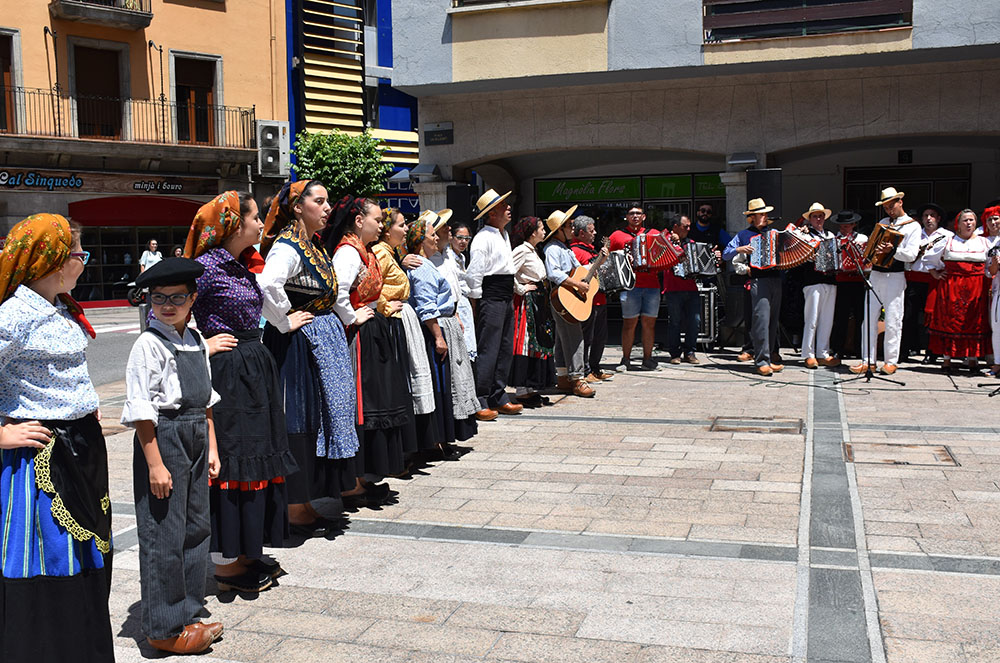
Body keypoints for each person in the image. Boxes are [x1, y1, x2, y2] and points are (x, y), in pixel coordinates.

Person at [0, 214, 113, 663]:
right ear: (51, 259)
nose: (83, 263)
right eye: (77, 254)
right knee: (49, 562)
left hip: (81, 448)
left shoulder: (61, 305)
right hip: (40, 460)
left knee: (85, 561)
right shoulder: (13, 313)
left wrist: (82, 403)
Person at [184, 192, 297, 594]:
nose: (260, 223)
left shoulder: (240, 264)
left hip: (253, 368)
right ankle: (226, 561)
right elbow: (163, 313)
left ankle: (247, 547)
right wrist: (203, 344)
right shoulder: (205, 267)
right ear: (235, 224)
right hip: (229, 373)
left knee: (255, 455)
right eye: (255, 217)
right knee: (233, 457)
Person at [122, 257, 223, 655]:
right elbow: (141, 409)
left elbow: (208, 400)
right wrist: (155, 463)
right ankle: (163, 628)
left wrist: (212, 446)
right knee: (164, 531)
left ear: (192, 299)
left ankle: (190, 611)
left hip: (197, 434)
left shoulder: (196, 339)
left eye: (177, 297)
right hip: (164, 437)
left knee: (196, 527)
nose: (167, 305)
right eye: (158, 297)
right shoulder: (148, 344)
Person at [258, 180, 366, 528]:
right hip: (299, 347)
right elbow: (267, 284)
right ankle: (294, 507)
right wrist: (283, 321)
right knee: (300, 419)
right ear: (297, 207)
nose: (327, 207)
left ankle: (305, 501)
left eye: (327, 201)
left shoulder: (314, 246)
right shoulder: (288, 247)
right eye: (319, 201)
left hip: (319, 341)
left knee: (321, 417)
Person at [326, 195, 412, 490]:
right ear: (359, 220)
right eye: (376, 220)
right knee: (362, 404)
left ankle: (363, 476)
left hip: (371, 332)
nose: (380, 225)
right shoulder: (348, 253)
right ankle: (355, 480)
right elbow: (337, 293)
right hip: (358, 338)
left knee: (373, 401)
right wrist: (353, 317)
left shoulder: (361, 250)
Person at [405, 217, 480, 456]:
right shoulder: (421, 267)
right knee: (442, 385)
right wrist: (438, 336)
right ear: (420, 240)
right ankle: (438, 442)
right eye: (432, 235)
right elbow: (427, 306)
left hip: (447, 321)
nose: (437, 238)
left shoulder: (429, 263)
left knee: (452, 383)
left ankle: (445, 439)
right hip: (437, 328)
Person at [372, 209, 441, 456]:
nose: (405, 229)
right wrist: (383, 305)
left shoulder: (393, 252)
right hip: (391, 320)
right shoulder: (381, 252)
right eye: (401, 225)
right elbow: (369, 286)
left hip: (401, 320)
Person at [851, 187, 921, 376]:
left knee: (893, 320)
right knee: (869, 318)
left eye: (892, 206)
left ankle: (891, 361)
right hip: (877, 273)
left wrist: (893, 250)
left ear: (900, 202)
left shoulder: (913, 226)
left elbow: (912, 254)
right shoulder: (883, 222)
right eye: (886, 207)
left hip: (895, 276)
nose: (889, 210)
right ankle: (868, 360)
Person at [467, 189, 523, 417]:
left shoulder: (504, 235)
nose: (508, 208)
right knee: (488, 348)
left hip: (505, 295)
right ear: (491, 213)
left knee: (504, 348)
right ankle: (480, 398)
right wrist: (477, 302)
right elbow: (474, 273)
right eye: (503, 205)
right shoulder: (482, 238)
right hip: (490, 297)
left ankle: (498, 394)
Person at [723, 198, 784, 376]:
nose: (765, 217)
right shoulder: (743, 235)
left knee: (773, 322)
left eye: (765, 214)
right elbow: (727, 254)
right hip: (759, 280)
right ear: (752, 217)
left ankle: (769, 358)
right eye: (761, 214)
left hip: (775, 279)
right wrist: (740, 249)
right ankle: (761, 361)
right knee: (761, 321)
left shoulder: (774, 233)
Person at [925, 209, 991, 371]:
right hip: (951, 287)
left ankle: (973, 359)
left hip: (976, 289)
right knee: (950, 322)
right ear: (958, 224)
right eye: (965, 220)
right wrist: (935, 273)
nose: (969, 223)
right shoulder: (947, 241)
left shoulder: (984, 243)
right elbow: (929, 258)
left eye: (972, 220)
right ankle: (946, 359)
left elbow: (991, 266)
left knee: (974, 322)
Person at [508, 216, 556, 406]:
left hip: (538, 299)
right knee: (526, 341)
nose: (544, 231)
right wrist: (521, 288)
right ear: (532, 232)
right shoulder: (521, 250)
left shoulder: (534, 251)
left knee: (538, 341)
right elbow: (508, 271)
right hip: (527, 302)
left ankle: (530, 387)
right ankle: (522, 389)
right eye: (541, 228)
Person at [609, 203, 661, 371]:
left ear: (644, 216)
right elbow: (607, 257)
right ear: (627, 217)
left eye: (638, 213)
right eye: (631, 213)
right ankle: (625, 360)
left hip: (652, 285)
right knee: (629, 324)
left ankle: (648, 359)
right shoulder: (617, 236)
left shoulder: (654, 234)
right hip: (629, 286)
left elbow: (664, 254)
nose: (635, 216)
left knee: (649, 324)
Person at [901, 203, 952, 363]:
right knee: (908, 317)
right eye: (925, 216)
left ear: (938, 218)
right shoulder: (915, 234)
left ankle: (931, 352)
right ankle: (904, 351)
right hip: (913, 279)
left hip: (934, 281)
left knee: (932, 317)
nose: (928, 219)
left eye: (932, 215)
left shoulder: (947, 235)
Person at [569, 215, 614, 381]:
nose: (594, 233)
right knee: (587, 337)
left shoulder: (592, 250)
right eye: (591, 230)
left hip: (600, 298)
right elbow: (579, 274)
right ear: (581, 233)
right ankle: (585, 370)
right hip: (587, 301)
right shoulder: (575, 251)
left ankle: (595, 368)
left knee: (600, 337)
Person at [798, 203, 838, 368]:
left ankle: (823, 352)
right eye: (815, 216)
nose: (818, 219)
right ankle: (808, 353)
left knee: (827, 319)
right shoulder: (804, 235)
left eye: (820, 216)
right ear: (810, 219)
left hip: (830, 280)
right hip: (812, 280)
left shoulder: (831, 235)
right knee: (812, 318)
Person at [434, 219, 478, 363]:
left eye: (467, 238)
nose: (463, 242)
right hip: (450, 304)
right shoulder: (445, 254)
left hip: (463, 302)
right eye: (459, 237)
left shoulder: (460, 257)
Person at [828, 210, 868, 364]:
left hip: (858, 280)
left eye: (847, 225)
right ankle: (838, 348)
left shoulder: (862, 238)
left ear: (853, 225)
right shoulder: (834, 239)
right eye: (842, 225)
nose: (844, 228)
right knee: (841, 316)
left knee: (860, 316)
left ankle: (859, 348)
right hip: (841, 280)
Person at [661, 214, 701, 364]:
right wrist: (672, 240)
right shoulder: (664, 240)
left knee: (694, 321)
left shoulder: (691, 243)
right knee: (675, 322)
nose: (689, 229)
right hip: (673, 288)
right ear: (676, 227)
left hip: (691, 287)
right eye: (686, 226)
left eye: (690, 226)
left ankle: (690, 351)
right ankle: (675, 353)